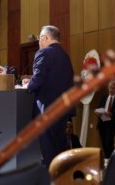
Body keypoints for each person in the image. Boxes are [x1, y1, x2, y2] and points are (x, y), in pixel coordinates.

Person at [23, 25, 75, 167]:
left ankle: (49, 179)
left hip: (47, 110)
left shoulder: (43, 53)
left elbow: (38, 79)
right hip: (63, 109)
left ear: (46, 38)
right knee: (59, 148)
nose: (39, 42)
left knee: (48, 150)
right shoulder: (65, 56)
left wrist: (28, 85)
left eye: (40, 38)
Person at [95, 80, 115, 158]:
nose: (111, 90)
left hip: (112, 124)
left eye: (113, 88)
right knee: (104, 144)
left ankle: (111, 159)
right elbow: (100, 107)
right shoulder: (104, 97)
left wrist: (112, 114)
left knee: (108, 143)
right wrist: (97, 112)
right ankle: (107, 158)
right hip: (102, 123)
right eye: (110, 88)